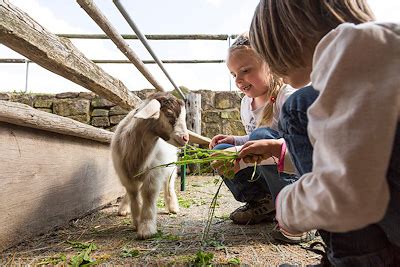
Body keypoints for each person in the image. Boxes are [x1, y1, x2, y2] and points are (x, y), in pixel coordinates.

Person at [239, 0, 400, 265]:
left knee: (300, 104)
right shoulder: (380, 47)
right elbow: (367, 147)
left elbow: (347, 193)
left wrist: (287, 206)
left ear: (289, 37)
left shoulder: (351, 52)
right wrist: (281, 151)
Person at [209, 33, 298, 227]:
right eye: (233, 74)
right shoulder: (246, 103)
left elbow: (301, 146)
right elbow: (254, 138)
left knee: (260, 137)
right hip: (270, 170)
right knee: (221, 151)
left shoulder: (287, 97)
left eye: (245, 70)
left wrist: (249, 150)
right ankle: (263, 202)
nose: (238, 80)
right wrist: (235, 141)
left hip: (294, 174)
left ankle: (293, 208)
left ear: (269, 65)